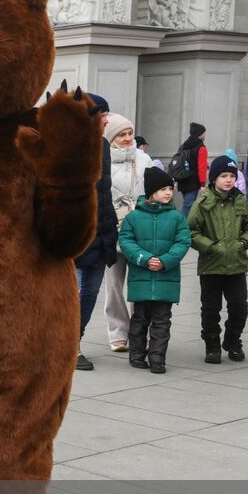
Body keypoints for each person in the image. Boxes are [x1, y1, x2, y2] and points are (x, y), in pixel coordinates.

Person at [118, 166, 191, 374]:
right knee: (139, 319)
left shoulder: (177, 217)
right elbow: (126, 241)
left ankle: (157, 358)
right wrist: (145, 258)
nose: (168, 192)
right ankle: (137, 355)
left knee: (162, 321)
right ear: (151, 192)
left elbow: (183, 242)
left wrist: (165, 261)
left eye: (170, 188)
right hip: (141, 277)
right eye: (163, 189)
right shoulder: (133, 217)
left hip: (166, 278)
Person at [188, 154, 248, 364]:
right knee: (211, 309)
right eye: (223, 176)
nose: (229, 180)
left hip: (237, 265)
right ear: (214, 179)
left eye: (232, 176)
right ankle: (212, 345)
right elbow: (191, 231)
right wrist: (210, 247)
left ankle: (233, 340)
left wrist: (243, 243)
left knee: (239, 307)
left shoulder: (240, 201)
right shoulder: (202, 203)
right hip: (211, 265)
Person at [102, 114, 153, 353]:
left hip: (140, 230)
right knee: (113, 287)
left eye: (129, 133)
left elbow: (155, 190)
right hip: (112, 229)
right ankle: (118, 332)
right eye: (121, 134)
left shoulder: (144, 160)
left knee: (141, 284)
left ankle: (141, 331)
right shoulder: (101, 160)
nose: (127, 138)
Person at [74, 95, 115, 370]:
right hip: (76, 235)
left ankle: (74, 340)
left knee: (89, 294)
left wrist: (110, 229)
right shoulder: (67, 143)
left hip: (101, 232)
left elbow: (104, 192)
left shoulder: (103, 145)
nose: (107, 121)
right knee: (74, 295)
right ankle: (69, 347)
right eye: (102, 115)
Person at [175, 122, 209, 215]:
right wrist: (202, 184)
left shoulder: (183, 146)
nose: (205, 135)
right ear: (199, 134)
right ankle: (182, 223)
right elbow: (201, 167)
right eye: (204, 133)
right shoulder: (201, 148)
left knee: (188, 204)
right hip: (193, 181)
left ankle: (187, 223)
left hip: (182, 179)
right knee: (188, 206)